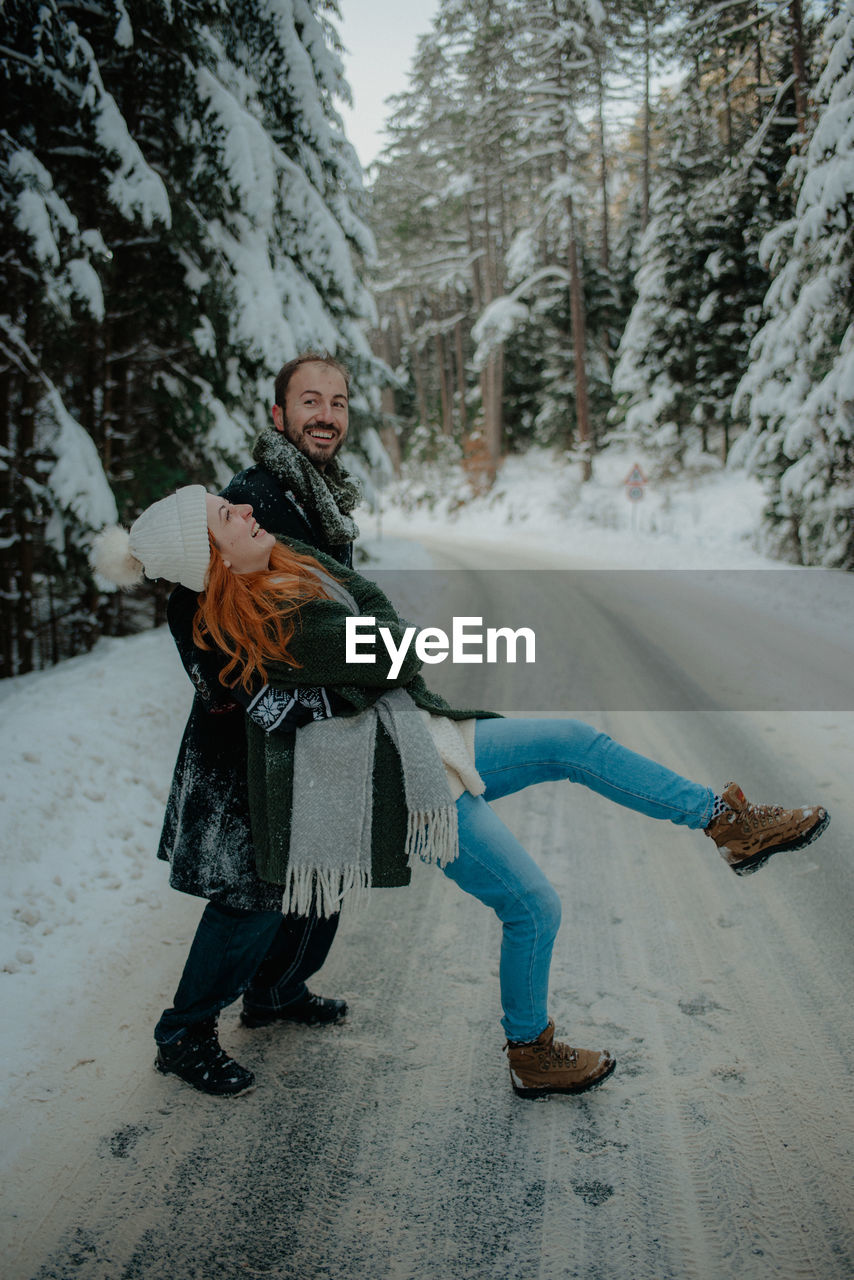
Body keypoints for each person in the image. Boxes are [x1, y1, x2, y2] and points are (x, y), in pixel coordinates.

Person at [92, 487, 831, 1100]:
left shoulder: (291, 558)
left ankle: (726, 823)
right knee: (533, 906)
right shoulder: (255, 620)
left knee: (573, 740)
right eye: (227, 517)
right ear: (213, 557)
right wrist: (367, 670)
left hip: (422, 740)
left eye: (232, 504)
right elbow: (392, 651)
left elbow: (382, 625)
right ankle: (531, 1052)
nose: (244, 508)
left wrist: (366, 669)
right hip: (396, 782)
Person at [153, 353, 360, 1097]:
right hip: (250, 730)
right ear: (278, 414)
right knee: (252, 889)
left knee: (317, 872)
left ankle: (276, 992)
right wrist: (236, 696)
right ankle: (184, 1033)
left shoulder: (323, 499)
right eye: (310, 401)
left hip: (311, 722)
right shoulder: (253, 496)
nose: (326, 415)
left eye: (337, 402)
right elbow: (189, 606)